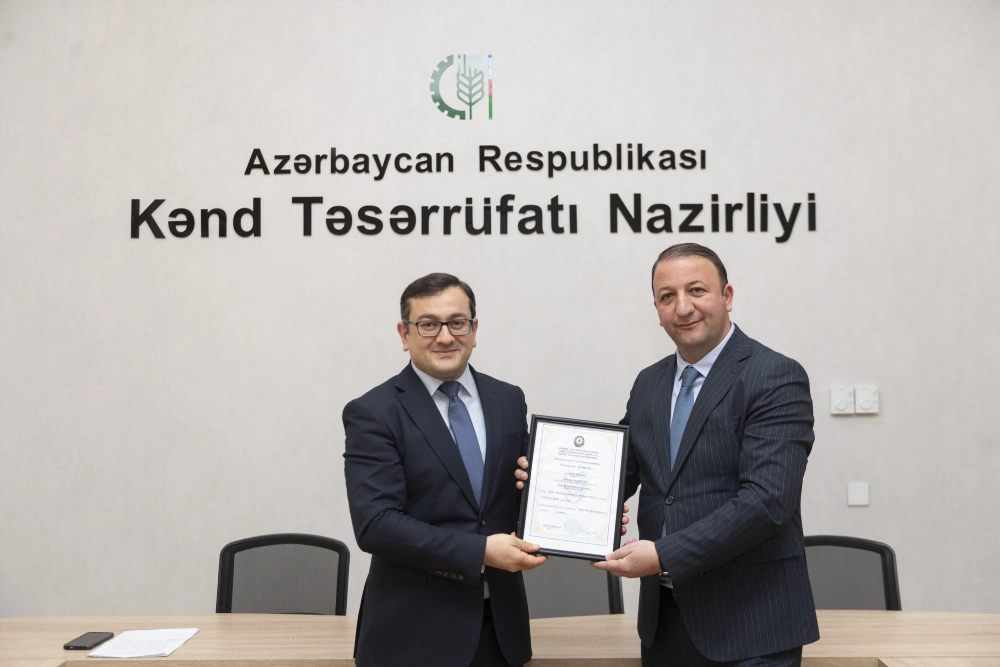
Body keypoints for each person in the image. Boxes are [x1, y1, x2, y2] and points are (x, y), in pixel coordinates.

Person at [518, 243, 819, 666]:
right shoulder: (650, 383)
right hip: (664, 625)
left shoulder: (774, 375)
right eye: (667, 296)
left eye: (697, 290)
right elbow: (619, 472)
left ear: (727, 296)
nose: (683, 307)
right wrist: (545, 483)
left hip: (752, 624)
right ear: (657, 309)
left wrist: (663, 555)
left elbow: (767, 502)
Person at [344, 272, 547, 667]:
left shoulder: (507, 399)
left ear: (474, 330)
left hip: (500, 630)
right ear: (404, 334)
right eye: (428, 324)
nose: (444, 336)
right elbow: (376, 524)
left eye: (457, 322)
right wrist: (481, 552)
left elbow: (513, 497)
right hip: (412, 637)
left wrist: (579, 511)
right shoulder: (374, 412)